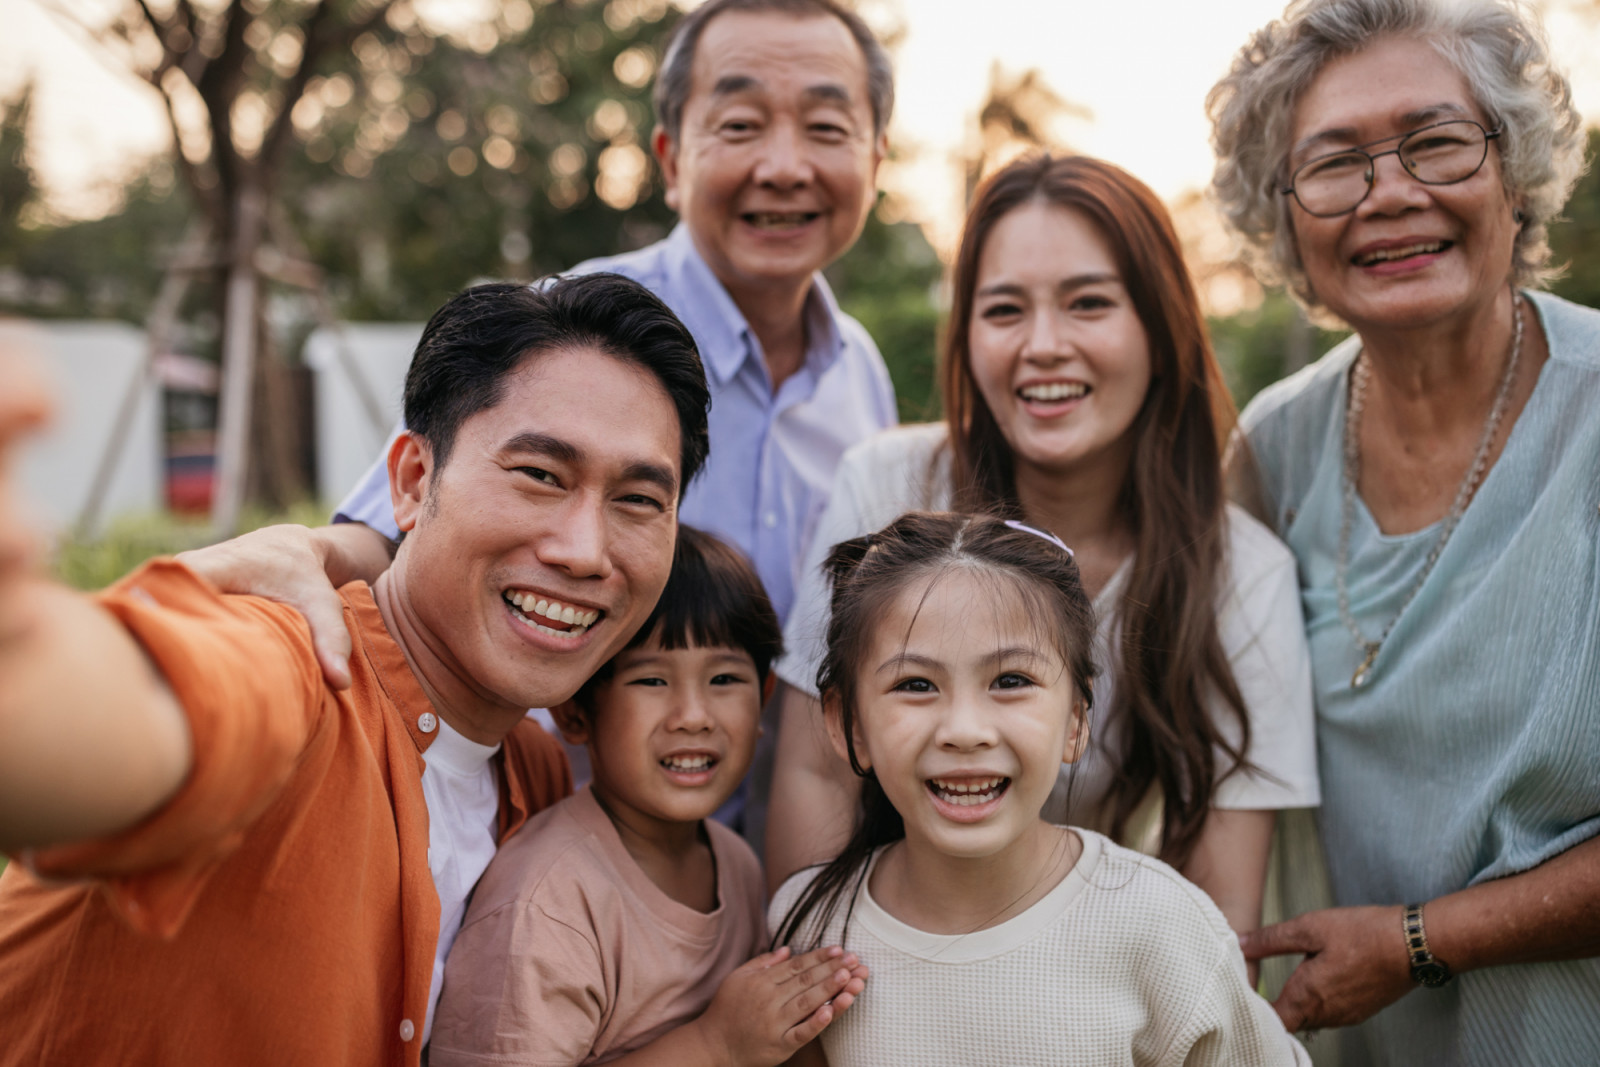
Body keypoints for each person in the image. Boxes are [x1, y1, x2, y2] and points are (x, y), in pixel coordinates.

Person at [191, 0, 899, 833]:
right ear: (670, 157)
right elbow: (399, 531)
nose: (784, 167)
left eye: (825, 127)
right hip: (527, 842)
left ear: (877, 156)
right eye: (739, 125)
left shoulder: (860, 378)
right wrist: (299, 548)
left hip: (735, 870)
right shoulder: (589, 334)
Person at [0, 275, 712, 1066]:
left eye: (640, 501)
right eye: (540, 475)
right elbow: (120, 722)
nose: (584, 550)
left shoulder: (538, 777)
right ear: (411, 481)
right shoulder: (294, 662)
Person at [766, 154, 1320, 943]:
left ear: (1160, 330)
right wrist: (816, 1004)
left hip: (1085, 967)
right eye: (1003, 311)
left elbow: (1218, 907)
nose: (1043, 345)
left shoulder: (1242, 572)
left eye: (1088, 303)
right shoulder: (886, 485)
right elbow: (814, 769)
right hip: (880, 953)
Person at [1206, 0, 1600, 1061]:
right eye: (1334, 165)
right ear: (1284, 219)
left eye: (1435, 143)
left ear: (1513, 177)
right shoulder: (1273, 448)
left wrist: (1418, 939)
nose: (1389, 194)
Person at [768, 511, 1311, 1066]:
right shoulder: (813, 924)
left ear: (1076, 718)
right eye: (916, 684)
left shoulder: (1161, 925)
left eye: (1010, 681)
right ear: (848, 723)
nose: (964, 731)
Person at [430, 525, 867, 1066]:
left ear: (764, 701)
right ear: (574, 710)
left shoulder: (733, 862)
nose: (693, 717)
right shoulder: (548, 905)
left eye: (725, 679)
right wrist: (715, 1045)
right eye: (652, 681)